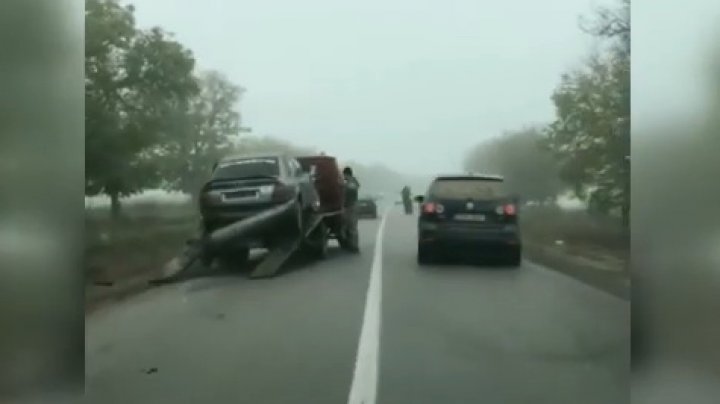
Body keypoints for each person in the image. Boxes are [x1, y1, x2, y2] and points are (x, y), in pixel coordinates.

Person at [342, 166, 360, 253]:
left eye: (344, 175)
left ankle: (354, 247)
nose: (344, 176)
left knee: (352, 227)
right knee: (347, 227)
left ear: (347, 174)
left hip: (352, 206)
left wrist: (344, 185)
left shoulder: (352, 181)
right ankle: (349, 244)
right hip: (347, 206)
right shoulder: (349, 181)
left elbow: (351, 189)